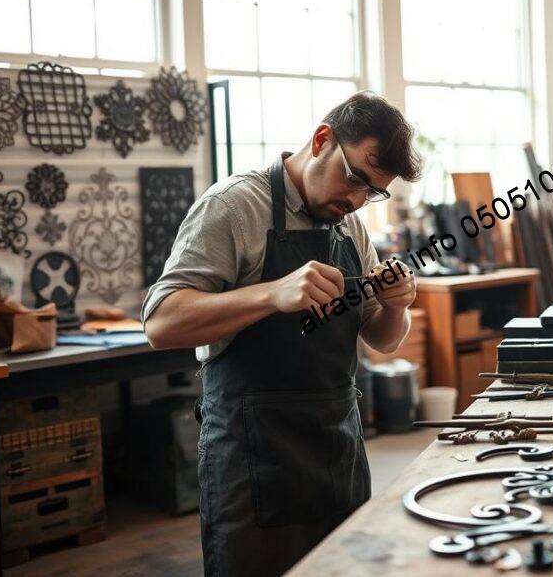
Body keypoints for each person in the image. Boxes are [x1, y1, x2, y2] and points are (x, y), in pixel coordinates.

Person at [142, 91, 423, 576]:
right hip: (253, 460)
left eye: (372, 192)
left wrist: (396, 306)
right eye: (354, 178)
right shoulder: (234, 207)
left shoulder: (349, 225)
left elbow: (382, 338)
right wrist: (271, 294)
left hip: (336, 449)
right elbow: (161, 323)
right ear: (321, 140)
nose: (356, 199)